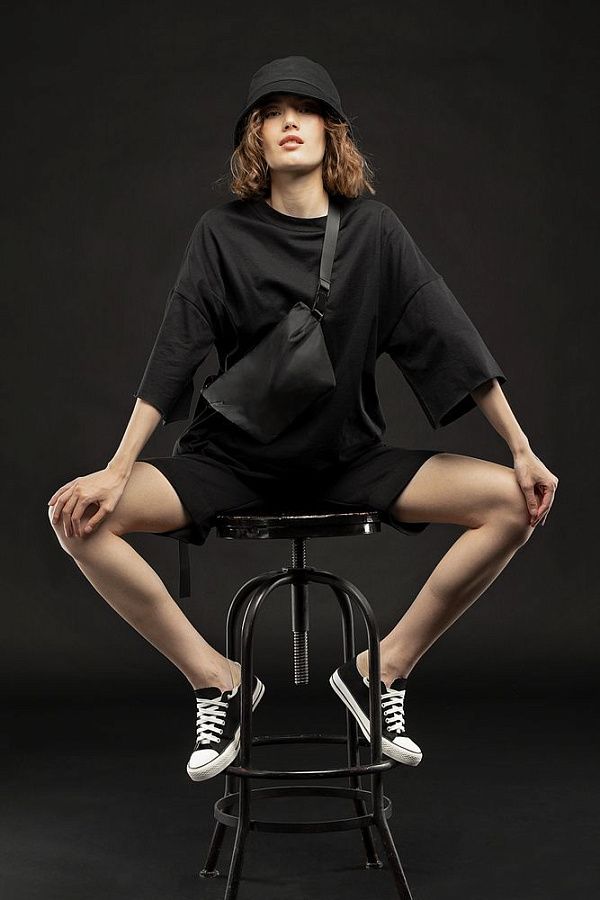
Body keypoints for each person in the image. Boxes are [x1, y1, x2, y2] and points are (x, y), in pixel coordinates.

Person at [47, 56, 558, 782]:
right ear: (255, 137)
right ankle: (218, 680)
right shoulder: (220, 234)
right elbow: (172, 357)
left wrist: (522, 447)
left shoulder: (375, 232)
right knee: (76, 518)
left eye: (307, 109)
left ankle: (379, 672)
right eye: (272, 113)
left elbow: (452, 340)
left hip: (347, 462)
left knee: (513, 501)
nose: (290, 122)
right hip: (231, 464)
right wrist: (116, 469)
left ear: (332, 131)